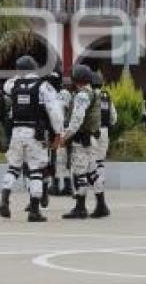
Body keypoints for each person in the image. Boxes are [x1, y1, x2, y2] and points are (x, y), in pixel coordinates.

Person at [0, 56, 64, 222]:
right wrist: (58, 132)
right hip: (35, 134)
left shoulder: (13, 84)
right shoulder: (44, 87)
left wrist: (19, 75)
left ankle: (4, 198)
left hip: (16, 132)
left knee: (13, 168)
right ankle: (34, 210)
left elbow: (7, 86)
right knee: (36, 171)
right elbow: (55, 112)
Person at [57, 64, 101, 220]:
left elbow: (77, 119)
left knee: (79, 174)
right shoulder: (94, 93)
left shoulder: (82, 95)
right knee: (92, 172)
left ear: (76, 79)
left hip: (81, 141)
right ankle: (100, 205)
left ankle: (80, 208)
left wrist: (65, 137)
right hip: (90, 139)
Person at [91, 71, 117, 219]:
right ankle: (101, 201)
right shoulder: (106, 96)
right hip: (104, 132)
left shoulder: (88, 95)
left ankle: (97, 201)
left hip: (92, 132)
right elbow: (114, 118)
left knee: (89, 166)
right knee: (100, 164)